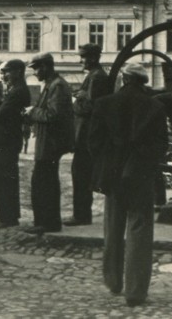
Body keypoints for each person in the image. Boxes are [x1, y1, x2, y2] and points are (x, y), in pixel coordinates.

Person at [89, 63, 167, 308]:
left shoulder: (104, 104)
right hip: (140, 175)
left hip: (112, 175)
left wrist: (108, 163)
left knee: (112, 227)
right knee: (140, 229)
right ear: (143, 82)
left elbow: (93, 143)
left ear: (123, 79)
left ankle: (113, 281)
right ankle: (135, 291)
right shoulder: (155, 106)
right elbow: (161, 146)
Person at [23, 52, 74, 234]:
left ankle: (48, 223)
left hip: (51, 143)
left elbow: (53, 115)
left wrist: (33, 112)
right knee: (43, 182)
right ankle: (44, 221)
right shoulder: (52, 84)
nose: (35, 72)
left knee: (45, 183)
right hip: (47, 141)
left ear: (45, 67)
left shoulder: (57, 86)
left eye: (36, 68)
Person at [66, 43, 110, 226]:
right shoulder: (94, 76)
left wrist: (75, 101)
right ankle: (81, 214)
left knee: (81, 174)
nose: (80, 60)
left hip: (88, 135)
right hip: (87, 134)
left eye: (83, 57)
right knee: (80, 173)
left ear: (92, 58)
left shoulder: (97, 77)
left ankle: (82, 215)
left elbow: (91, 107)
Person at [0, 60, 30, 230]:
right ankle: (9, 215)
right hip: (6, 140)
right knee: (5, 177)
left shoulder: (18, 91)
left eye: (7, 72)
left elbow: (1, 115)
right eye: (2, 73)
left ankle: (7, 217)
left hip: (7, 140)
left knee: (2, 178)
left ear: (18, 72)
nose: (3, 76)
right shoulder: (13, 90)